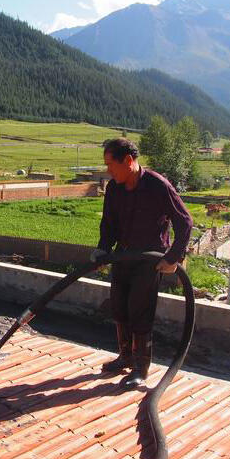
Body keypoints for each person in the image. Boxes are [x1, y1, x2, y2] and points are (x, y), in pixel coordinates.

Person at [90, 138, 193, 389]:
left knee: (140, 311)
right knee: (119, 308)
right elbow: (109, 224)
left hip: (149, 261)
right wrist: (103, 249)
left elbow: (185, 222)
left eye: (111, 165)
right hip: (122, 257)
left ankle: (140, 368)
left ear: (128, 161)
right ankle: (124, 357)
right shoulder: (114, 188)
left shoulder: (157, 185)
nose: (108, 171)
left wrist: (173, 257)